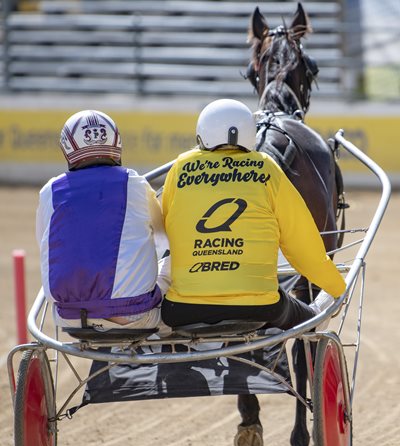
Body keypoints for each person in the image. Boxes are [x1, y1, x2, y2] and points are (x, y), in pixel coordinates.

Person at [161, 99, 345, 330]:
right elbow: (303, 247)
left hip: (181, 310)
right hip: (260, 308)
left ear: (201, 135)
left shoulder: (180, 167)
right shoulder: (267, 167)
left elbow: (166, 231)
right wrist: (337, 288)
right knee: (312, 315)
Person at [36, 109, 170, 333]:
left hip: (69, 318)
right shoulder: (134, 182)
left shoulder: (49, 191)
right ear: (116, 143)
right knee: (172, 259)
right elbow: (163, 239)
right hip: (134, 316)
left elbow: (45, 245)